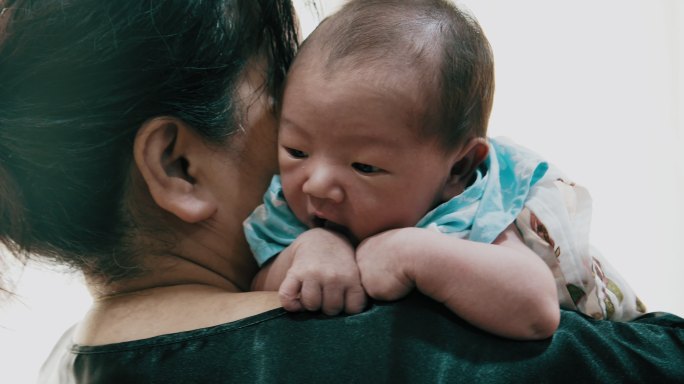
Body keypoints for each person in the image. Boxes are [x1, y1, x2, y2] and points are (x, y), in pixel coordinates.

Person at [0, 0, 682, 383]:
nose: (319, 177)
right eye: (280, 88)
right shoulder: (407, 352)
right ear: (179, 166)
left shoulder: (67, 364)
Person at [244, 0, 645, 340]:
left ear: (459, 168)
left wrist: (417, 255)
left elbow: (536, 309)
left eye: (364, 166)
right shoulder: (290, 207)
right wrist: (308, 251)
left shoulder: (472, 208)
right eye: (296, 150)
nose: (316, 184)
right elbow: (254, 284)